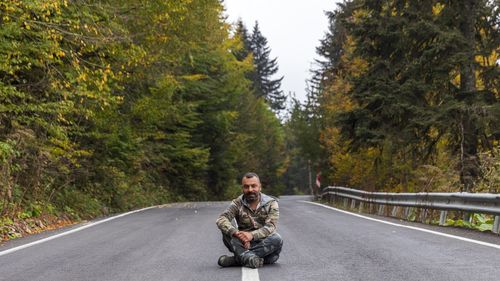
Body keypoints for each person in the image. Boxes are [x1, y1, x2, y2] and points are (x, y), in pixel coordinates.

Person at [216, 172, 283, 268]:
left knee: (277, 239)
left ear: (260, 187)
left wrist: (251, 235)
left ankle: (238, 259)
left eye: (253, 186)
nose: (250, 190)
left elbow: (271, 226)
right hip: (242, 243)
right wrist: (236, 233)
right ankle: (249, 258)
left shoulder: (271, 203)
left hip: (265, 248)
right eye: (246, 187)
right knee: (226, 231)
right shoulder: (237, 203)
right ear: (242, 188)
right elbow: (221, 219)